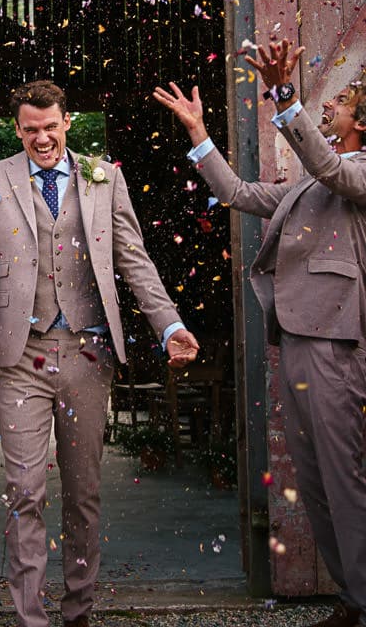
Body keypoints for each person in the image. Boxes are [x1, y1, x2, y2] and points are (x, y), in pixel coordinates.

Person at [0, 80, 199, 627]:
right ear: (17, 129)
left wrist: (169, 324)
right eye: (30, 129)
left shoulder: (103, 177)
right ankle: (30, 617)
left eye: (50, 126)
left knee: (84, 490)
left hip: (88, 352)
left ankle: (79, 609)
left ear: (67, 123)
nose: (41, 138)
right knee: (24, 490)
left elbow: (135, 261)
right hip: (21, 355)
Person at [153, 42, 366, 627]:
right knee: (316, 476)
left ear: (363, 121)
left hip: (337, 340)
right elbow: (239, 194)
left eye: (341, 103)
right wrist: (198, 133)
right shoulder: (310, 186)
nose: (330, 110)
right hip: (297, 335)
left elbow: (327, 165)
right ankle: (352, 597)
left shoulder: (357, 172)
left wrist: (285, 95)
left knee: (345, 477)